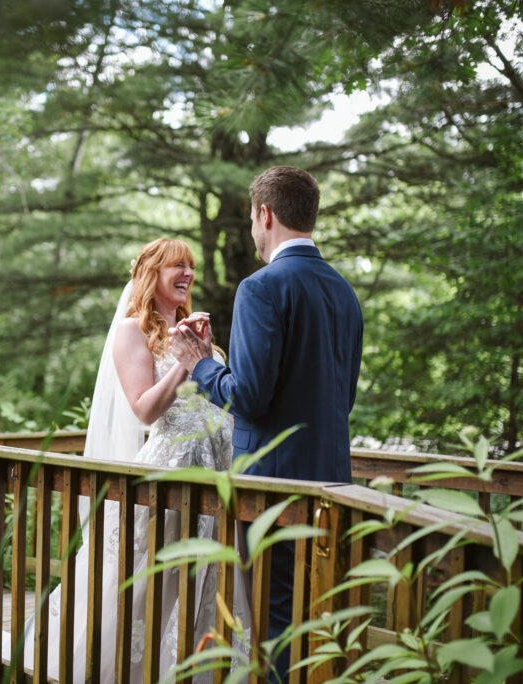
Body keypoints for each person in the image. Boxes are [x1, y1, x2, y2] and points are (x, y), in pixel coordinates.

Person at [171, 166, 364, 682]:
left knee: (277, 619)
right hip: (332, 483)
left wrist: (201, 365)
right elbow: (341, 399)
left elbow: (249, 398)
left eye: (252, 219)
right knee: (318, 619)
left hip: (270, 485)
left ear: (266, 214)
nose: (253, 231)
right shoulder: (344, 292)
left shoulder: (261, 287)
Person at [25, 238, 243, 682]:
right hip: (166, 482)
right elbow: (144, 408)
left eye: (191, 266)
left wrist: (203, 353)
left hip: (216, 480)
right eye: (176, 266)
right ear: (151, 274)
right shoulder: (131, 331)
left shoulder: (194, 330)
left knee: (201, 588)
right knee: (147, 589)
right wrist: (187, 362)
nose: (187, 274)